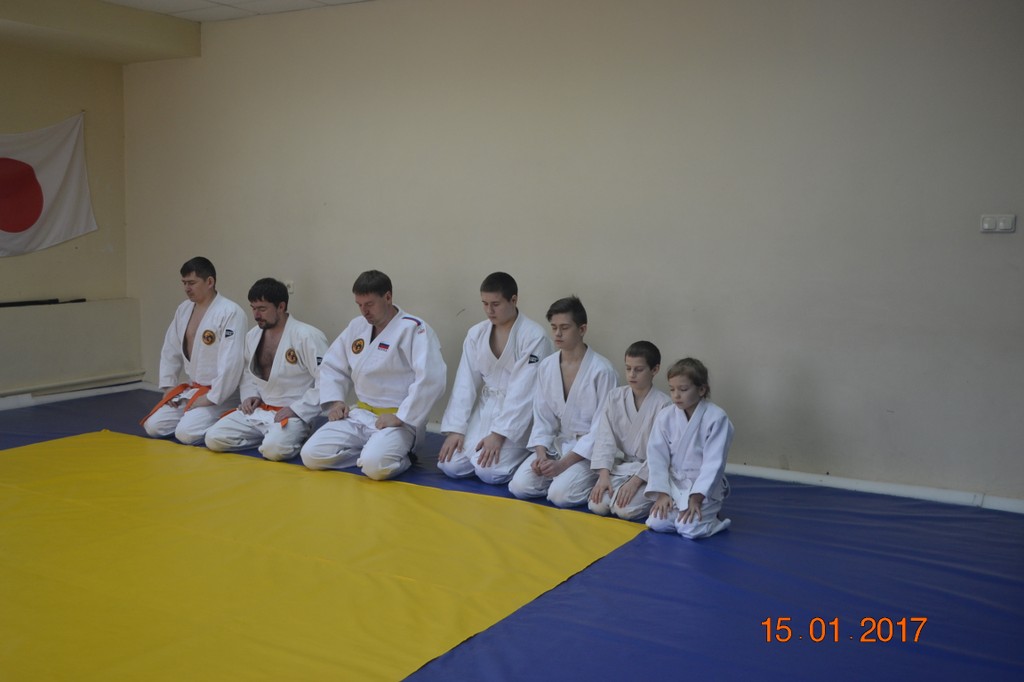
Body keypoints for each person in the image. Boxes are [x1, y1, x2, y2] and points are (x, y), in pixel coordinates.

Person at [299, 270, 446, 480]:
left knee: (375, 468)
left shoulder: (413, 328)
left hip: (398, 421)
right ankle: (368, 455)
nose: (364, 311)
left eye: (369, 304)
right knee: (311, 455)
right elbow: (332, 364)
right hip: (360, 415)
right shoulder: (357, 326)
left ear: (388, 297)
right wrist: (335, 402)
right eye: (359, 305)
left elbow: (431, 378)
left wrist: (400, 417)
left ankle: (401, 457)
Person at [438, 272, 554, 484]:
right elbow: (465, 383)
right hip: (486, 408)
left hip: (520, 419)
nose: (489, 310)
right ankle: (483, 444)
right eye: (484, 304)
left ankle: (525, 454)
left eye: (495, 304)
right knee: (450, 465)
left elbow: (524, 391)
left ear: (513, 300)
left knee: (489, 473)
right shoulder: (476, 333)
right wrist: (456, 429)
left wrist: (500, 434)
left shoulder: (534, 336)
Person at [508, 296, 618, 506]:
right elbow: (543, 418)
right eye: (554, 327)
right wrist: (541, 456)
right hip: (558, 444)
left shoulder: (602, 371)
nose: (557, 333)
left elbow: (601, 429)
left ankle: (582, 481)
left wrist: (562, 465)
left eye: (565, 328)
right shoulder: (547, 366)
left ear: (582, 329)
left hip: (588, 452)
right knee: (519, 487)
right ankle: (560, 478)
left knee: (560, 496)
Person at [204, 278, 329, 460]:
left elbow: (326, 379)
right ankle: (268, 438)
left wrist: (297, 409)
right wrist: (250, 396)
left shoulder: (307, 336)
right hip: (260, 411)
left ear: (281, 307)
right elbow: (248, 372)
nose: (256, 315)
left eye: (262, 309)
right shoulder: (252, 336)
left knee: (273, 451)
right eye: (253, 308)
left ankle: (292, 436)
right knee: (214, 438)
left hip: (292, 413)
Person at [141, 256, 246, 444]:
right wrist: (169, 386)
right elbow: (170, 349)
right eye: (184, 283)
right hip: (193, 389)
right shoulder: (183, 309)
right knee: (154, 426)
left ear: (210, 282)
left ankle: (228, 417)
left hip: (223, 393)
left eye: (192, 283)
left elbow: (232, 362)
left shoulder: (230, 312)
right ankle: (199, 416)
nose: (187, 288)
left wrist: (212, 398)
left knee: (186, 433)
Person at [645, 358, 733, 539]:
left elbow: (714, 463)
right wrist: (662, 492)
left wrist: (696, 498)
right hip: (675, 486)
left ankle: (715, 522)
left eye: (683, 389)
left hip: (703, 488)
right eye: (672, 389)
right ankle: (684, 516)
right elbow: (656, 457)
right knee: (656, 523)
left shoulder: (717, 418)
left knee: (689, 530)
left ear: (701, 390)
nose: (676, 395)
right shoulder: (665, 416)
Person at [587, 341, 672, 520]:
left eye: (638, 369)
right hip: (622, 467)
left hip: (649, 472)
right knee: (597, 505)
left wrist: (635, 481)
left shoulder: (664, 405)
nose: (632, 374)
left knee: (624, 510)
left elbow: (662, 452)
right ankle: (617, 489)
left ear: (655, 369)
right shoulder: (614, 396)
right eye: (628, 368)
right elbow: (604, 439)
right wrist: (604, 476)